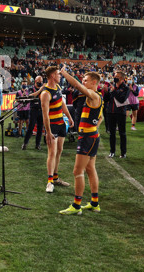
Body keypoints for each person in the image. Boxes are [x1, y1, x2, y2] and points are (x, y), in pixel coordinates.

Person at [59, 67, 103, 215]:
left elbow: (77, 86)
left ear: (94, 82)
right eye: (83, 80)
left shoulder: (92, 95)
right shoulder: (96, 97)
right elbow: (101, 117)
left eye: (85, 80)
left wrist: (64, 74)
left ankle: (76, 205)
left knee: (78, 171)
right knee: (90, 169)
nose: (83, 82)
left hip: (87, 138)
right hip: (91, 136)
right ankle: (94, 203)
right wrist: (95, 126)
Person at [41, 66, 74, 193]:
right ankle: (49, 182)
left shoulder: (58, 88)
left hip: (61, 123)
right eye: (58, 75)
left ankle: (55, 178)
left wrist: (69, 116)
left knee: (59, 151)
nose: (60, 76)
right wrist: (48, 132)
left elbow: (62, 104)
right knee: (52, 153)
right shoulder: (45, 93)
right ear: (53, 76)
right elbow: (45, 115)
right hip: (53, 125)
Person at [104, 70, 130, 158]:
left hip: (120, 113)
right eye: (114, 75)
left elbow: (122, 100)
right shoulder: (111, 87)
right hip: (110, 112)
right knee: (112, 133)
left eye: (117, 76)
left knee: (122, 133)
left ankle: (123, 153)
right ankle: (112, 151)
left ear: (122, 79)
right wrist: (106, 92)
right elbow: (106, 100)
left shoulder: (126, 88)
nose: (115, 77)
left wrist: (114, 91)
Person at [22, 76, 44, 150]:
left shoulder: (43, 89)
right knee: (31, 127)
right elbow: (31, 95)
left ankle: (38, 144)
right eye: (39, 81)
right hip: (33, 110)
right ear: (35, 81)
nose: (40, 82)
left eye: (41, 81)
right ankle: (25, 143)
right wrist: (40, 90)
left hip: (41, 110)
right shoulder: (31, 89)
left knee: (40, 128)